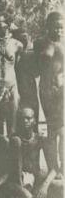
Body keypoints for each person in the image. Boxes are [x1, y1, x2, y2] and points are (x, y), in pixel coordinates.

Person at [11, 107, 63, 198]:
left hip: (36, 179)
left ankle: (36, 193)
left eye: (28, 118)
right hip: (18, 180)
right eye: (22, 119)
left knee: (62, 188)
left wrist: (45, 186)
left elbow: (54, 168)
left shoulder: (39, 139)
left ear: (34, 121)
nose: (25, 121)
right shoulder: (15, 140)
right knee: (26, 197)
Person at [36, 11, 64, 176]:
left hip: (61, 91)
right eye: (56, 27)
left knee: (62, 130)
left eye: (62, 27)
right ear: (48, 27)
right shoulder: (40, 42)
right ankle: (54, 167)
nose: (60, 31)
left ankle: (62, 167)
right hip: (46, 91)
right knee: (51, 131)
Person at [13, 29, 39, 131]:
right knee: (18, 117)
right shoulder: (12, 53)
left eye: (25, 37)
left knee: (32, 115)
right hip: (16, 87)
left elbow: (37, 72)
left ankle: (34, 138)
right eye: (21, 37)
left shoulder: (31, 54)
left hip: (29, 87)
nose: (24, 39)